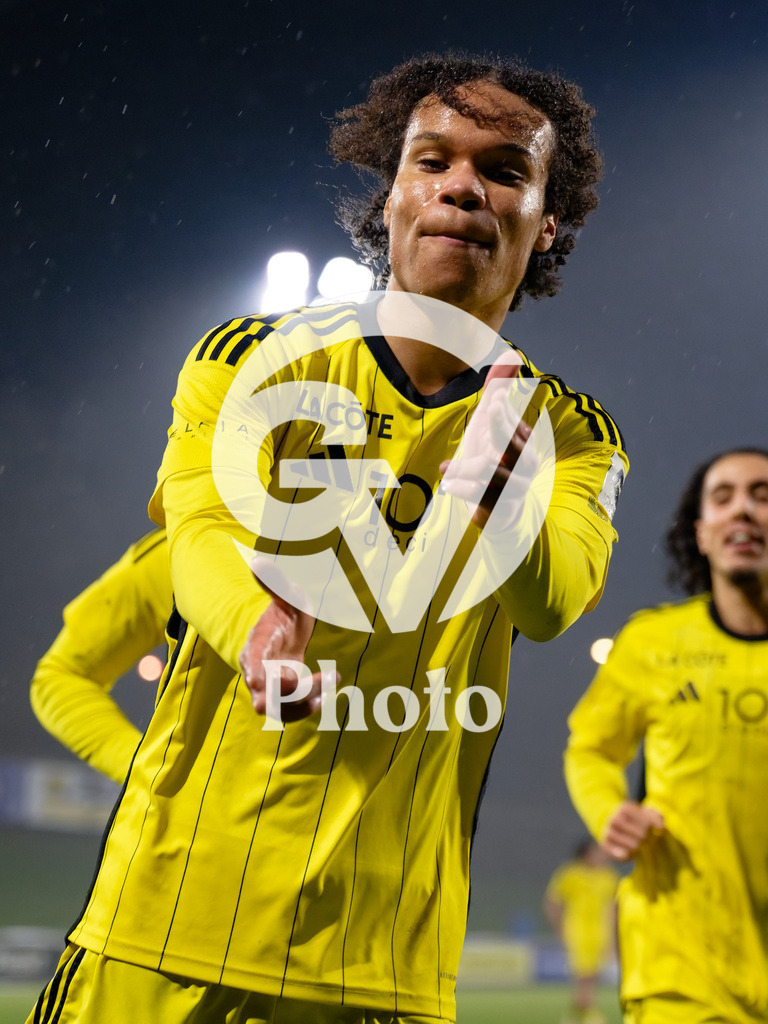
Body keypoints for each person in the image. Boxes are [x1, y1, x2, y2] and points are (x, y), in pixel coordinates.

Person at [29, 52, 628, 1024]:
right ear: (390, 197)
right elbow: (204, 534)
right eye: (431, 160)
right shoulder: (249, 360)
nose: (462, 185)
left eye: (505, 169)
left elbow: (553, 604)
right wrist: (252, 631)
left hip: (383, 957)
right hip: (169, 921)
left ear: (546, 222)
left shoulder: (569, 433)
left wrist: (494, 497)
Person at [565, 448, 768, 1024]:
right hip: (681, 970)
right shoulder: (654, 643)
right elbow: (591, 749)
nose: (744, 512)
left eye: (762, 495)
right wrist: (609, 811)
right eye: (724, 498)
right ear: (702, 535)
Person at [30, 528, 172, 784]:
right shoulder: (177, 555)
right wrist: (152, 770)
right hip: (210, 818)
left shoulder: (179, 551)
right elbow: (61, 675)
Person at [544, 838, 619, 1024]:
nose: (602, 856)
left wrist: (613, 935)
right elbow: (553, 902)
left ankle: (572, 1017)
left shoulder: (607, 876)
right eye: (597, 852)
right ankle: (592, 1015)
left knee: (592, 975)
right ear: (586, 854)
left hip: (600, 933)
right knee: (583, 976)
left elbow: (613, 907)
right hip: (577, 931)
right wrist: (560, 929)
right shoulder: (570, 875)